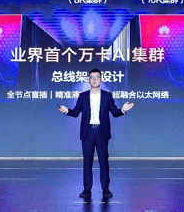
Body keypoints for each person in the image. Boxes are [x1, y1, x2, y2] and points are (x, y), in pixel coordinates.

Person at [57, 68, 134, 200]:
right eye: (92, 77)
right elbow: (75, 113)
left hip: (101, 132)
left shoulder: (107, 96)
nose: (94, 79)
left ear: (101, 80)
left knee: (104, 162)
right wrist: (66, 111)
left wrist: (123, 110)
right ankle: (87, 189)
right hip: (87, 132)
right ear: (89, 80)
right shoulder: (83, 96)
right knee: (87, 162)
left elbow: (115, 113)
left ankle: (106, 189)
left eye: (97, 77)